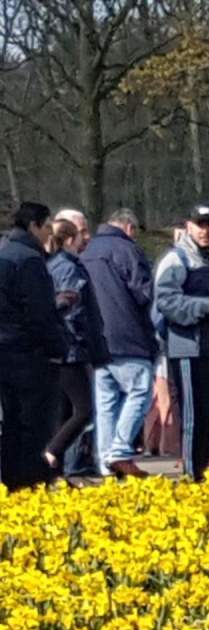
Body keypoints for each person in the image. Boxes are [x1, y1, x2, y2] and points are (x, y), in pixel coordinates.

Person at [154, 203, 209, 480]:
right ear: (188, 226)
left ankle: (202, 469)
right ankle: (191, 476)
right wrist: (203, 306)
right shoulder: (176, 259)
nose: (206, 231)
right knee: (195, 417)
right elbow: (165, 300)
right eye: (200, 225)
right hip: (190, 348)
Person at [81, 208, 155, 478]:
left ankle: (105, 461)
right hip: (128, 335)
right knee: (140, 391)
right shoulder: (127, 250)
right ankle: (120, 451)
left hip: (97, 339)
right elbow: (143, 293)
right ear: (129, 228)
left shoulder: (86, 252)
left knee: (106, 402)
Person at [0, 202, 68, 488]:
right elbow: (38, 314)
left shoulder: (4, 254)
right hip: (29, 356)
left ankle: (10, 482)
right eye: (47, 226)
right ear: (34, 226)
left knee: (11, 422)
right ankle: (29, 484)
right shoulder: (29, 260)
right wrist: (58, 347)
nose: (50, 232)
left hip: (5, 351)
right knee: (34, 424)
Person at [44, 218, 108, 482]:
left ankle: (55, 472)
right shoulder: (68, 267)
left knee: (63, 410)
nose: (85, 239)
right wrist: (81, 339)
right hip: (71, 349)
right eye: (81, 235)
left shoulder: (51, 264)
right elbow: (73, 309)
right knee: (84, 409)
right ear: (70, 239)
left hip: (60, 347)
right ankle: (51, 452)